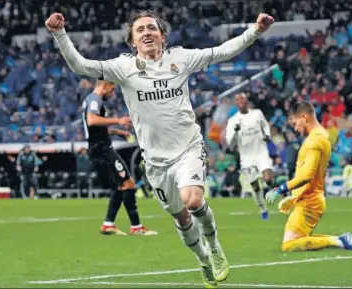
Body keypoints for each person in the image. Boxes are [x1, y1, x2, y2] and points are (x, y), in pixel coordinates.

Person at [45, 9, 274, 287]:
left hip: (188, 147)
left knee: (193, 201)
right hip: (155, 161)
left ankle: (214, 248)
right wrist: (59, 33)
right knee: (181, 216)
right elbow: (80, 65)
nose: (147, 33)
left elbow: (222, 51)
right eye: (140, 30)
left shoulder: (180, 58)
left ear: (162, 36)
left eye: (152, 28)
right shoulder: (122, 67)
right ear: (132, 41)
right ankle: (203, 259)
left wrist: (256, 31)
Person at [265, 102, 352, 252]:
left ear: (304, 117)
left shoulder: (315, 140)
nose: (295, 128)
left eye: (295, 123)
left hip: (310, 201)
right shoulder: (319, 136)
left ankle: (340, 241)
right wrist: (295, 197)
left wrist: (280, 189)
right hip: (308, 198)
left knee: (288, 245)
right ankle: (344, 239)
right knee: (299, 239)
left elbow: (307, 175)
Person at [81, 80, 156, 236]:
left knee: (120, 186)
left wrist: (116, 132)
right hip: (102, 151)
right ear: (105, 85)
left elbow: (94, 129)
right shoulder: (95, 100)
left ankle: (108, 224)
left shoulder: (90, 100)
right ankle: (136, 227)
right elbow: (92, 120)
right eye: (112, 89)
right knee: (128, 184)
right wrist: (118, 120)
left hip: (99, 149)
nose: (113, 93)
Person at [225, 93, 274, 219]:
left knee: (268, 179)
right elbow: (230, 143)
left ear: (246, 100)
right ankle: (263, 209)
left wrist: (267, 135)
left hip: (261, 152)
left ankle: (270, 190)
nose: (240, 101)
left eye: (242, 98)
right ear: (235, 103)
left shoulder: (257, 113)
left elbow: (265, 125)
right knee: (255, 187)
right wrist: (235, 132)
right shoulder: (233, 121)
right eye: (237, 99)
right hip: (246, 158)